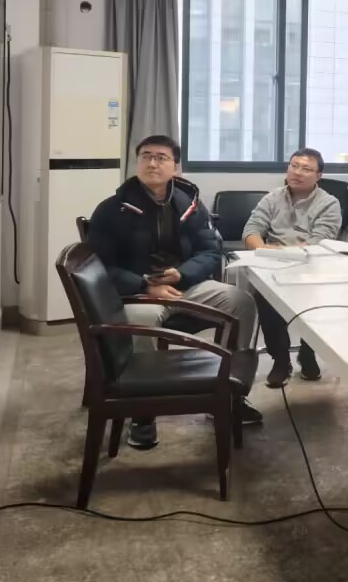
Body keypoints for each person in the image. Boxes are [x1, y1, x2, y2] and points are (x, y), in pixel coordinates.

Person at [88, 134, 260, 449]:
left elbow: (211, 251)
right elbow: (101, 267)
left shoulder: (190, 206)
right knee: (139, 319)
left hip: (186, 285)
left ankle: (229, 392)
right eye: (146, 156)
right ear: (137, 163)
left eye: (161, 158)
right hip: (139, 291)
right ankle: (142, 412)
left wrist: (183, 274)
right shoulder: (112, 210)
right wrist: (144, 283)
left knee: (242, 302)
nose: (152, 163)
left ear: (176, 167)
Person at [241, 148, 342, 388]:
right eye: (294, 166)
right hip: (272, 265)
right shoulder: (272, 198)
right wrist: (264, 249)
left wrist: (276, 249)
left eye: (306, 168)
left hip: (312, 267)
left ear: (318, 176)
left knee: (316, 304)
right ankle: (281, 360)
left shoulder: (329, 203)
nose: (297, 172)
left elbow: (318, 243)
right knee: (265, 298)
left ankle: (308, 352)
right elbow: (251, 230)